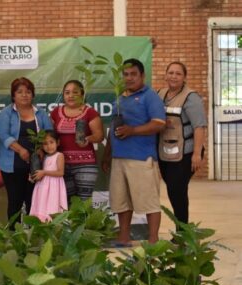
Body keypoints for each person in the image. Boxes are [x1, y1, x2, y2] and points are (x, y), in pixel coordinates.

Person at [102, 58, 166, 245]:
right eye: (126, 74)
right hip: (118, 158)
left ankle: (153, 240)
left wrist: (133, 130)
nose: (129, 78)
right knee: (121, 201)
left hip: (141, 158)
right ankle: (124, 236)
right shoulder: (120, 98)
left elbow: (159, 123)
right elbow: (114, 127)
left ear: (142, 76)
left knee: (149, 201)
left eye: (133, 74)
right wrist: (107, 155)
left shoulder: (150, 96)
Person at [0, 77, 52, 227]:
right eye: (19, 92)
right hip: (11, 166)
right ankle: (14, 236)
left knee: (33, 201)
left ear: (33, 95)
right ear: (13, 95)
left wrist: (41, 148)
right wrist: (20, 150)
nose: (24, 95)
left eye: (28, 92)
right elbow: (3, 135)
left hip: (35, 166)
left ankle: (33, 236)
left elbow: (49, 134)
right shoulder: (6, 113)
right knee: (15, 201)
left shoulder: (40, 113)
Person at [157, 62, 207, 225]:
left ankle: (183, 232)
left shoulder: (191, 97)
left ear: (184, 77)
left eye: (178, 74)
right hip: (166, 152)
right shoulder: (160, 94)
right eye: (170, 72)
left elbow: (199, 126)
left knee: (177, 190)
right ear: (165, 75)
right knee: (173, 190)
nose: (173, 76)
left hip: (187, 153)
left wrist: (196, 154)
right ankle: (182, 229)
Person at [51, 80, 104, 202]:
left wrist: (88, 139)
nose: (70, 96)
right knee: (65, 201)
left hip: (86, 164)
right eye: (67, 92)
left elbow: (99, 135)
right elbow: (50, 136)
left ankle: (85, 222)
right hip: (61, 164)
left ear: (82, 94)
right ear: (63, 95)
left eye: (75, 92)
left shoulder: (89, 112)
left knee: (84, 202)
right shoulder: (55, 113)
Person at [29, 130, 67, 222]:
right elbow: (39, 170)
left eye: (51, 142)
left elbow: (60, 172)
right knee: (42, 207)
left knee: (52, 207)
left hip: (54, 188)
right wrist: (33, 176)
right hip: (42, 187)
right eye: (45, 144)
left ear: (58, 143)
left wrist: (44, 172)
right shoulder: (44, 157)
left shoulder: (59, 155)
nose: (49, 146)